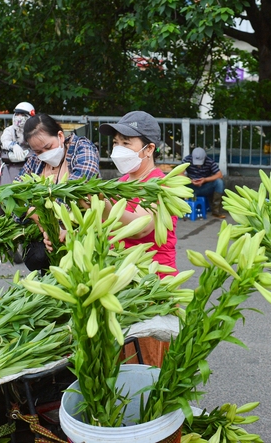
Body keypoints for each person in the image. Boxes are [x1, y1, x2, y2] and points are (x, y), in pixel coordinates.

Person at [99, 110, 179, 367]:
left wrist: (104, 204)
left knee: (147, 368)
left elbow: (142, 226)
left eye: (126, 142)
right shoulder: (120, 183)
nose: (118, 148)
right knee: (120, 367)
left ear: (148, 149)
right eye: (115, 143)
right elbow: (104, 228)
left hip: (151, 287)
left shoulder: (163, 185)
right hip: (121, 284)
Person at [18, 113, 101, 270]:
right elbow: (18, 190)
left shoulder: (81, 148)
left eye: (48, 147)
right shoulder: (35, 160)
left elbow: (79, 182)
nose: (44, 154)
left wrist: (45, 213)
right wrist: (33, 213)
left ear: (60, 136)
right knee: (36, 257)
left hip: (81, 225)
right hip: (45, 230)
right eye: (38, 151)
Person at [0, 101, 35, 188]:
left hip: (31, 164)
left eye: (23, 115)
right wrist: (13, 146)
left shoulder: (34, 131)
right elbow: (4, 141)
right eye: (17, 114)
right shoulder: (10, 130)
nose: (19, 117)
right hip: (11, 164)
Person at [181, 147, 226, 218]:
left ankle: (216, 210)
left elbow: (219, 175)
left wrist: (205, 180)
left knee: (219, 182)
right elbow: (179, 174)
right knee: (178, 181)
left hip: (205, 187)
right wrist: (190, 180)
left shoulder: (210, 161)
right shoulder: (187, 159)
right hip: (191, 187)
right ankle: (180, 208)